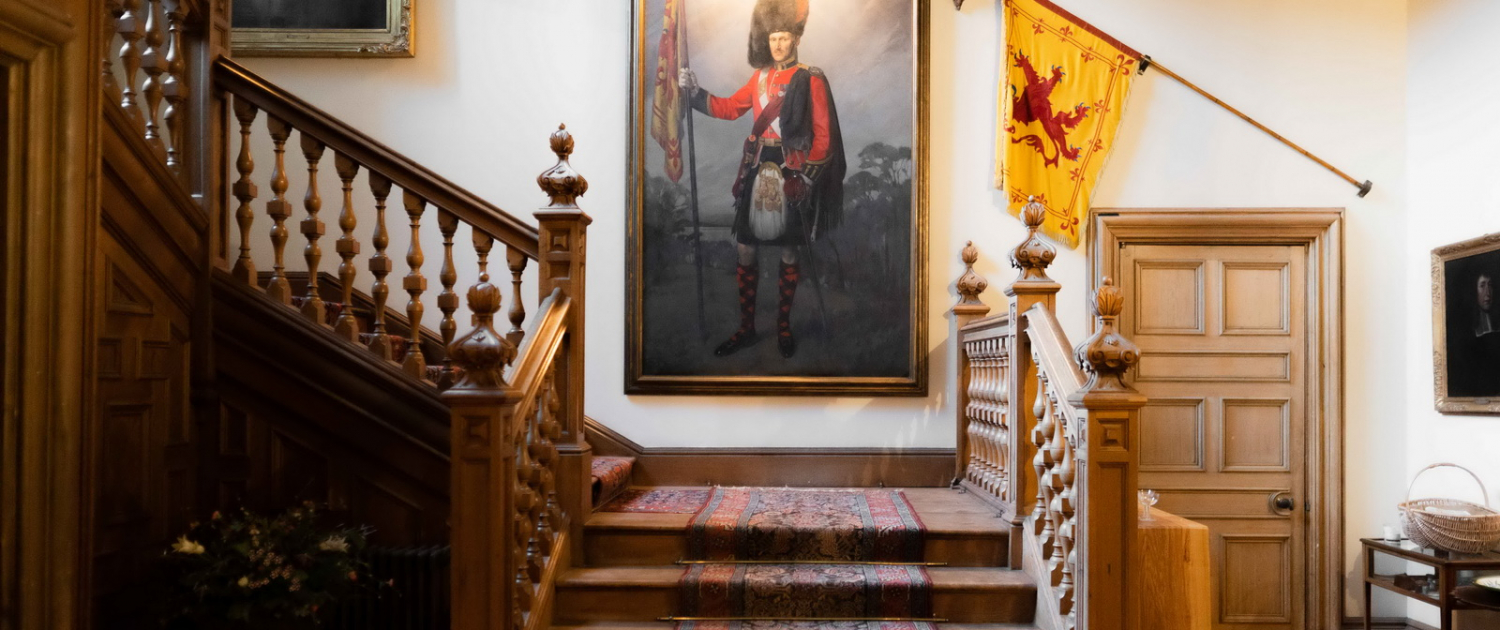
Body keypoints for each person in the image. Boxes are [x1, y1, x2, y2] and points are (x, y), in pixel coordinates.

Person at [678, 0, 846, 359]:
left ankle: (783, 326)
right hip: (757, 167)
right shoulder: (760, 79)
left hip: (792, 170)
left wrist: (807, 178)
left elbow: (824, 138)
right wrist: (694, 93)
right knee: (745, 248)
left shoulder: (811, 78)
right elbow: (728, 108)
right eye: (773, 38)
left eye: (784, 37)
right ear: (766, 40)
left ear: (796, 38)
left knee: (789, 250)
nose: (778, 44)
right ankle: (746, 328)